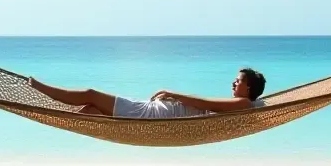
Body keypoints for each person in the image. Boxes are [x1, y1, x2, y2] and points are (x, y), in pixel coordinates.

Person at [27, 67, 267, 118]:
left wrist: (171, 93)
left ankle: (42, 90)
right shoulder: (243, 105)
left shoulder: (243, 105)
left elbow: (203, 102)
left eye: (238, 81)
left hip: (149, 115)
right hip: (150, 111)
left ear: (248, 88)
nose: (233, 84)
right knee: (90, 111)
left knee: (90, 93)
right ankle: (58, 113)